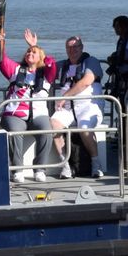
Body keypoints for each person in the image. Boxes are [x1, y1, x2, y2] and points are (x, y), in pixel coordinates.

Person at [0, 14, 62, 182]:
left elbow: (52, 65)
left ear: (40, 57)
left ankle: (40, 169)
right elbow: (2, 59)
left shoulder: (46, 74)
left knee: (46, 131)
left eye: (34, 52)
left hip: (38, 114)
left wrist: (34, 44)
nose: (30, 53)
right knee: (15, 132)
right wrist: (1, 42)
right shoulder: (16, 70)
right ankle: (17, 169)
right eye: (28, 51)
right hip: (15, 113)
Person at [51, 36, 105, 178]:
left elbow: (86, 82)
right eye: (69, 47)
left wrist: (64, 97)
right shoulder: (63, 65)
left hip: (88, 106)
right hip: (68, 108)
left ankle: (95, 164)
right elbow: (42, 67)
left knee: (84, 128)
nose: (72, 50)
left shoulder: (91, 62)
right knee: (53, 124)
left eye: (76, 46)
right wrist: (34, 46)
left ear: (82, 47)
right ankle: (65, 165)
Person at [104, 15, 128, 100]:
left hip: (127, 75)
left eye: (117, 27)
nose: (115, 29)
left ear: (124, 26)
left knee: (126, 100)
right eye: (115, 27)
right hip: (121, 75)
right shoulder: (122, 40)